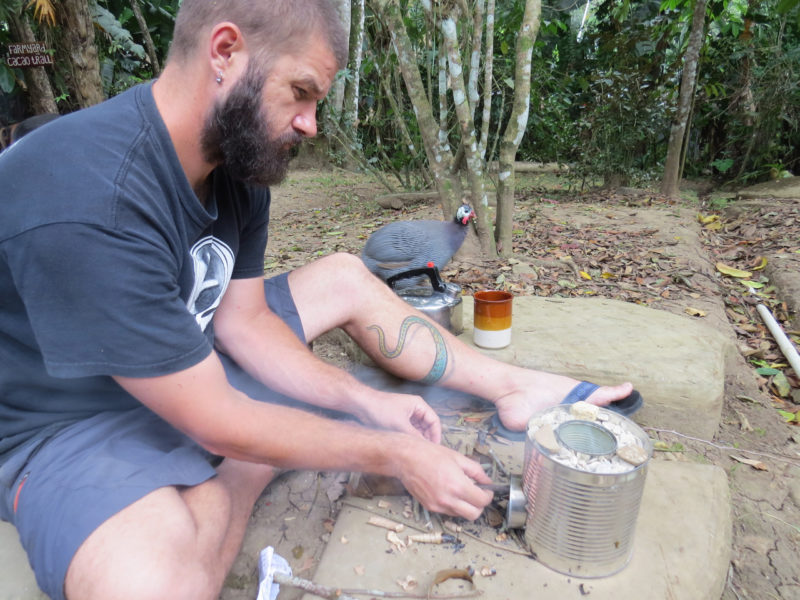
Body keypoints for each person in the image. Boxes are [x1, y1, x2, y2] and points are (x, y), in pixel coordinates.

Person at [0, 1, 636, 599]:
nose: (309, 123)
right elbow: (213, 417)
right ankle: (247, 468)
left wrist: (361, 400)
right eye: (300, 92)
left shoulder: (237, 163)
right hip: (64, 418)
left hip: (188, 354)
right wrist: (391, 450)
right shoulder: (89, 196)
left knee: (341, 275)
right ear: (225, 51)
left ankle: (511, 386)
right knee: (155, 582)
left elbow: (243, 321)